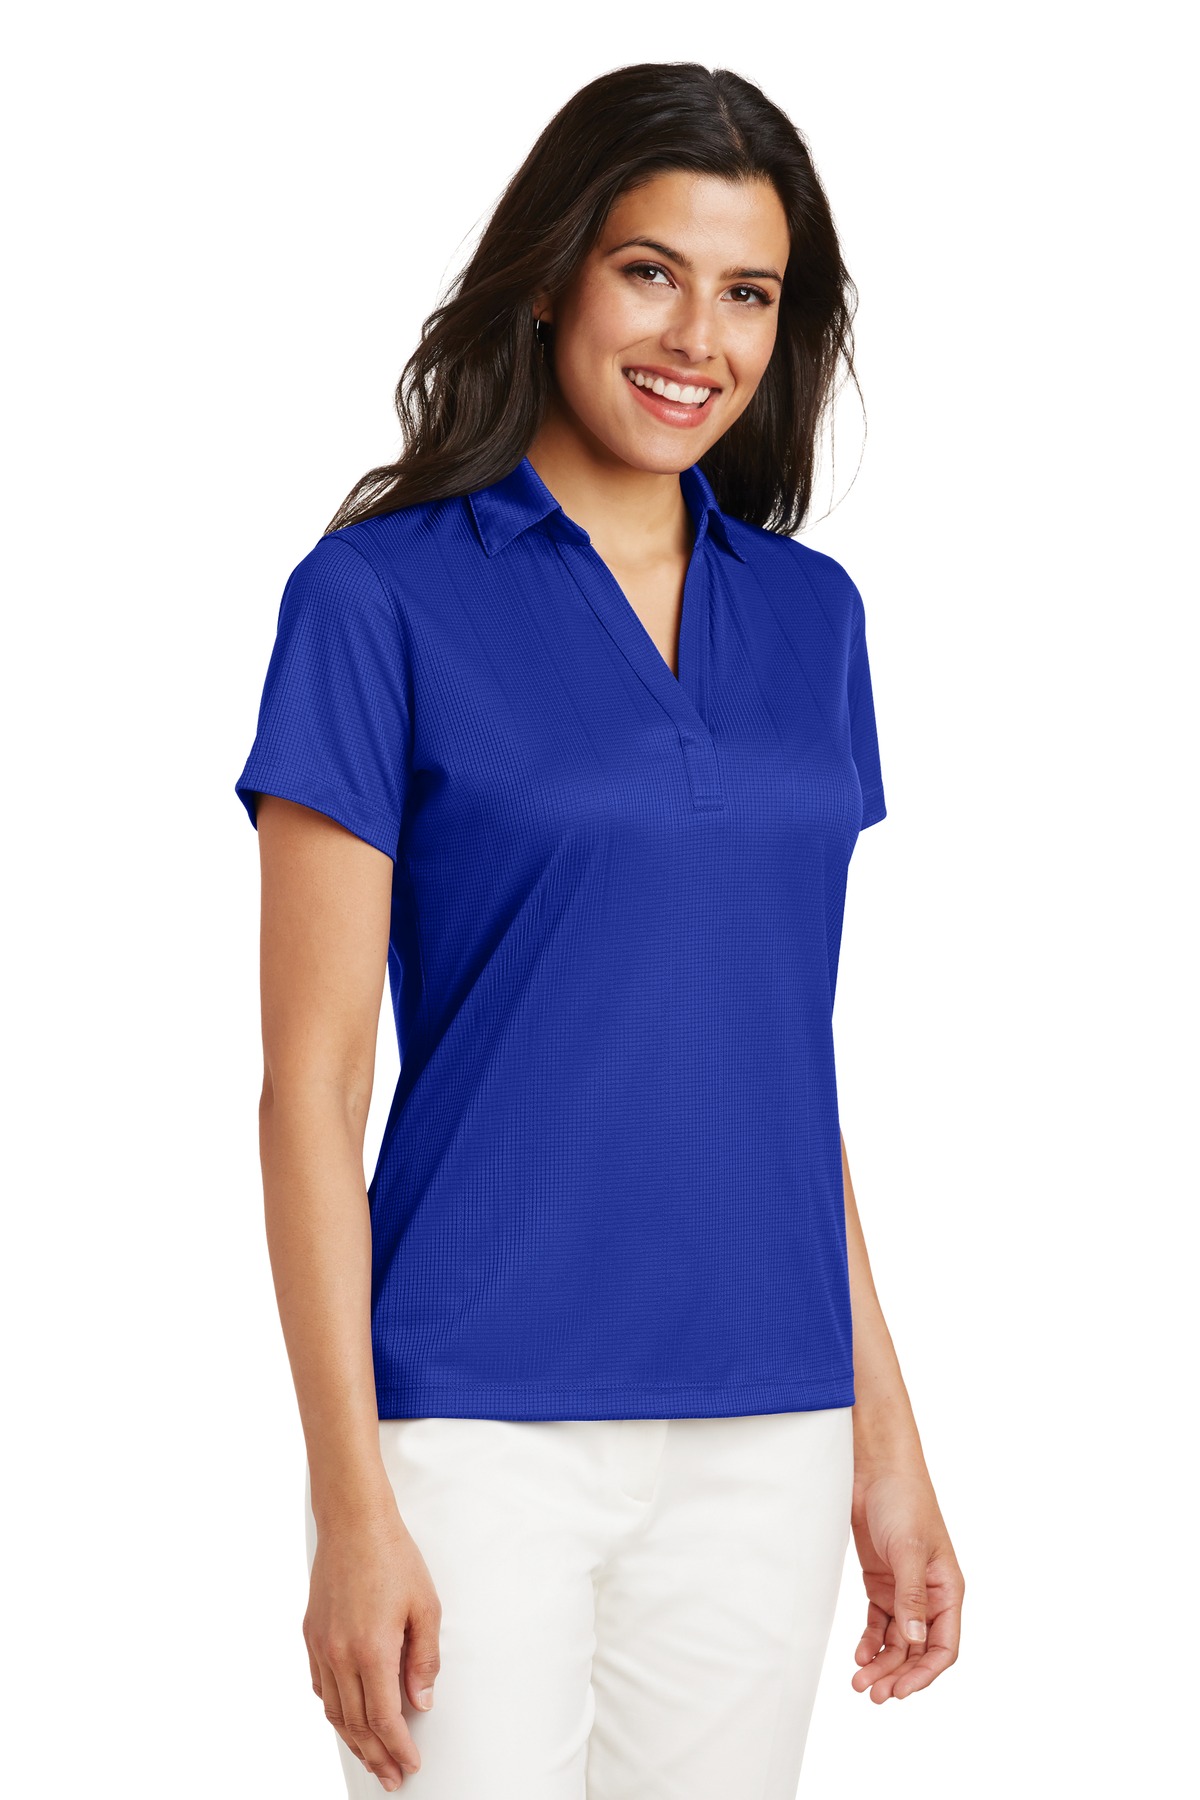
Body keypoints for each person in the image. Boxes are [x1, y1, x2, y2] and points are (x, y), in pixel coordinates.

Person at [233, 61, 964, 1799]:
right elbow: (311, 1091)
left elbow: (773, 1053)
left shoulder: (812, 619)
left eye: (748, 293)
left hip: (769, 1425)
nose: (697, 338)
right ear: (556, 275)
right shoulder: (376, 599)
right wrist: (351, 1499)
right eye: (651, 272)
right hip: (471, 1424)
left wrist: (885, 1435)